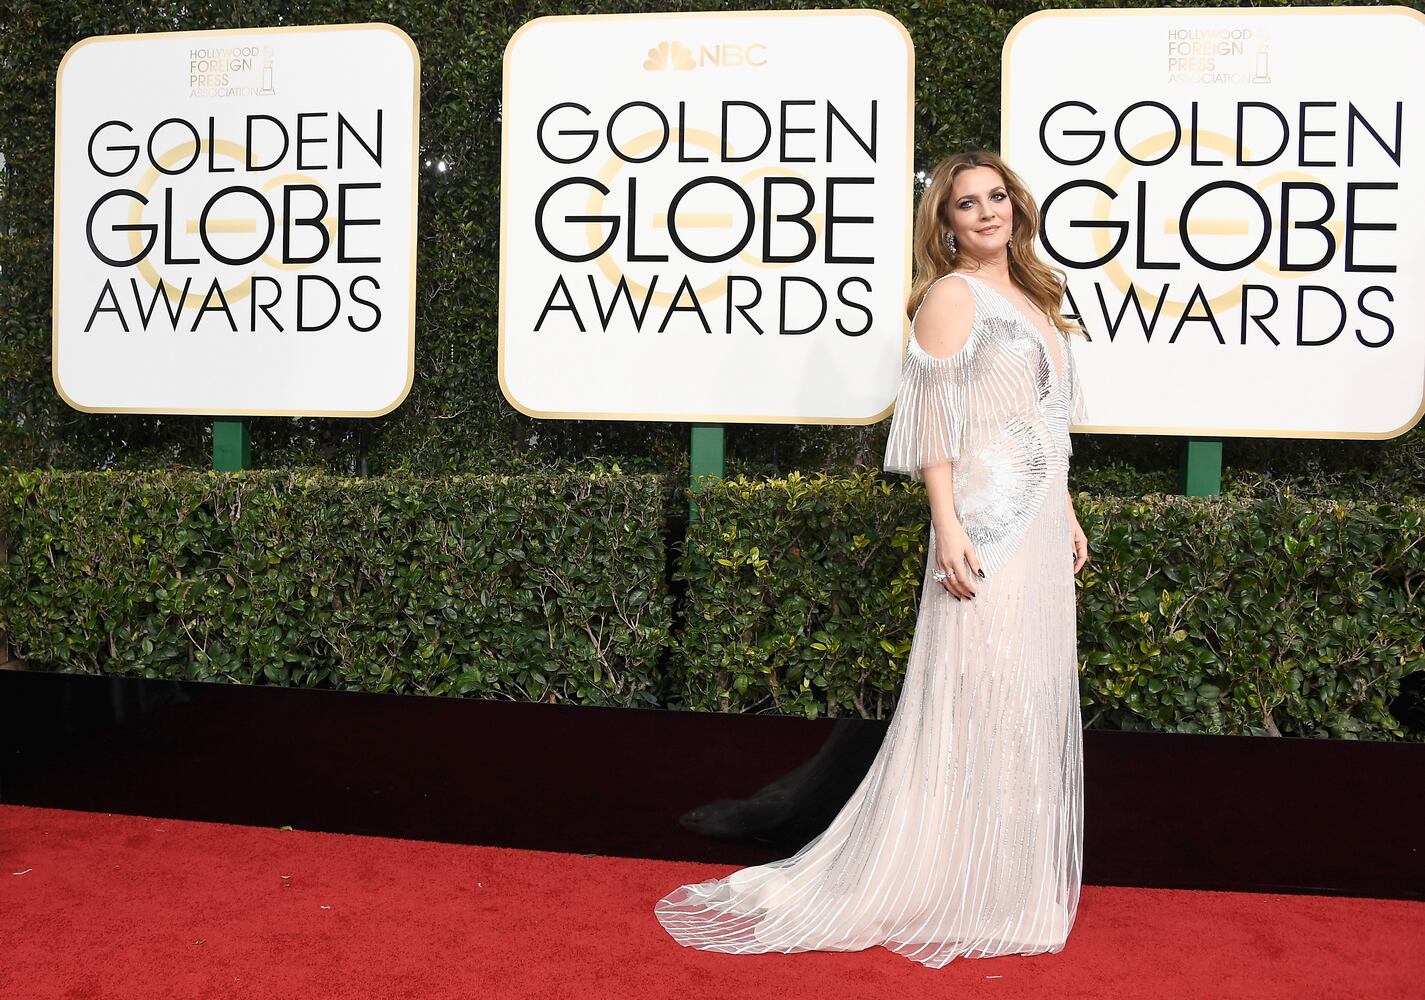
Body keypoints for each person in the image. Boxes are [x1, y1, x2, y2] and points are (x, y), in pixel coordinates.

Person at [653, 149, 1090, 968]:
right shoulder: (951, 296)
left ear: (1016, 206)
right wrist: (946, 526)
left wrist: (1064, 510)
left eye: (996, 196)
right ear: (945, 224)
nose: (987, 212)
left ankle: (1004, 880)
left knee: (1024, 693)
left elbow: (1048, 421)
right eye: (967, 203)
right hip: (984, 525)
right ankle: (948, 875)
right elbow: (932, 426)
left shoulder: (1035, 295)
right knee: (979, 693)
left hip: (1036, 528)